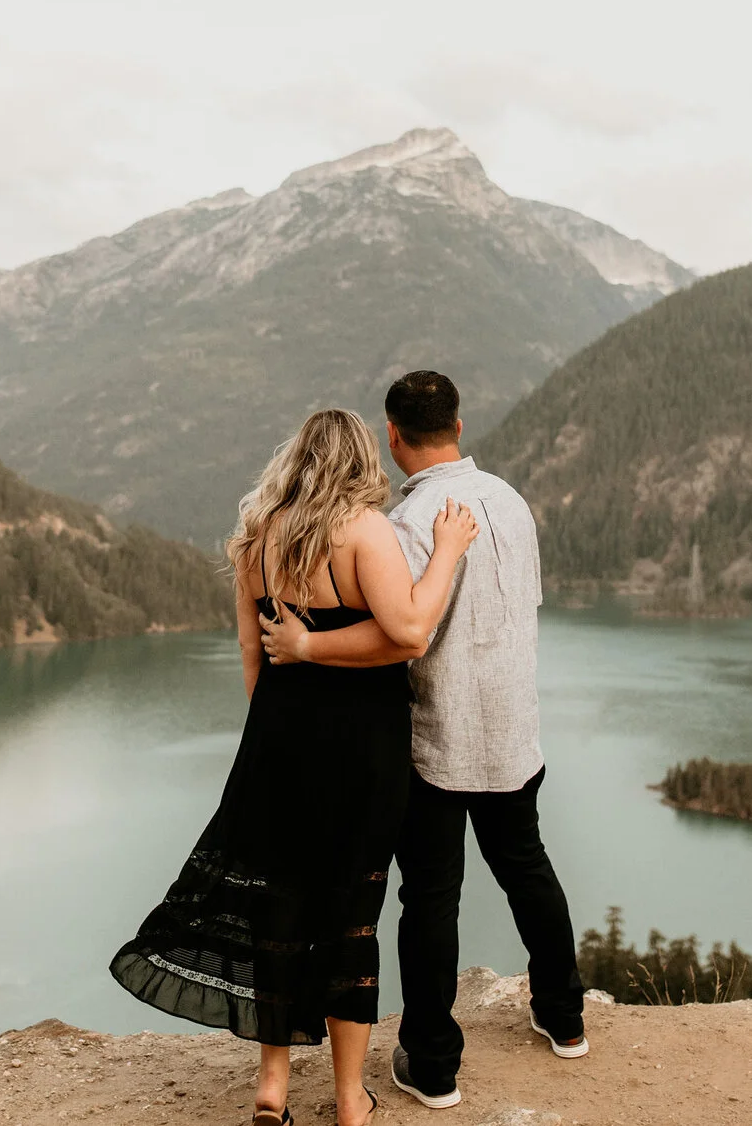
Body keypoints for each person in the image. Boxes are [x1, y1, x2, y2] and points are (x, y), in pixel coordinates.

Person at [111, 407, 481, 1126]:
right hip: (362, 750)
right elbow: (407, 630)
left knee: (276, 910)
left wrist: (284, 729)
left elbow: (254, 661)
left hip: (276, 745)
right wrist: (448, 551)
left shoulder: (255, 540)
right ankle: (348, 1100)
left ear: (297, 458)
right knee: (352, 918)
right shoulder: (362, 529)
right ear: (360, 461)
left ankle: (272, 1087)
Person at [260, 370, 587, 1111]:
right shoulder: (509, 501)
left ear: (394, 435)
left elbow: (398, 637)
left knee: (432, 900)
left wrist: (307, 650)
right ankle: (564, 1019)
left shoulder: (409, 522)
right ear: (460, 427)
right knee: (529, 871)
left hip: (438, 740)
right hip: (512, 735)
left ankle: (435, 1065)